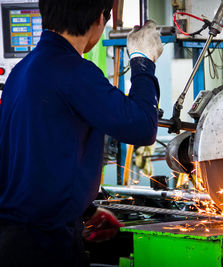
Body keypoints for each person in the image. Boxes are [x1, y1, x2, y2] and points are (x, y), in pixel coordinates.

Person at [0, 0, 163, 266]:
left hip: (15, 240)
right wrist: (142, 60)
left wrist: (85, 210)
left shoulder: (21, 71)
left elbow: (34, 158)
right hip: (46, 247)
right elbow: (143, 127)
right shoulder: (75, 72)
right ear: (100, 18)